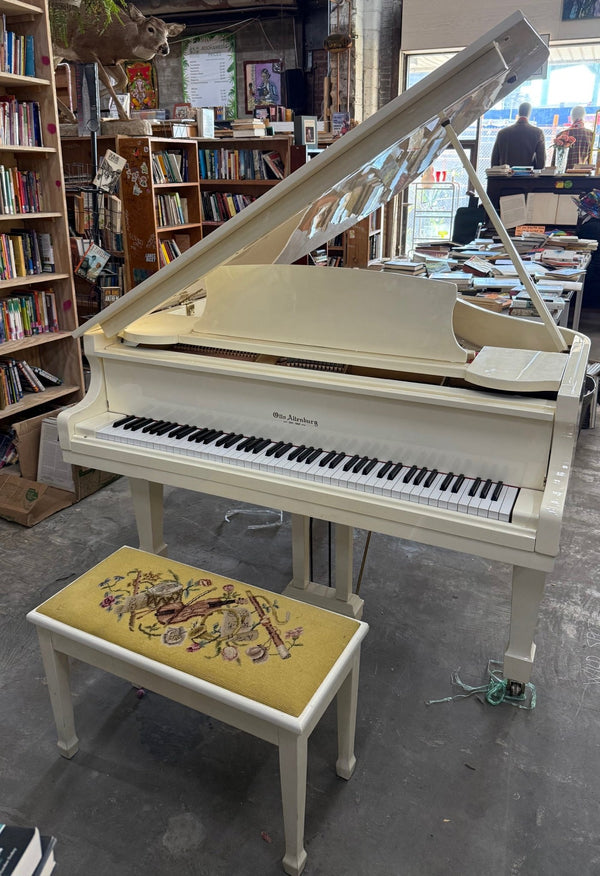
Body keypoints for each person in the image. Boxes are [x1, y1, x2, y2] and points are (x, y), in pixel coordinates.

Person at [490, 102, 546, 169]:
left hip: (505, 177)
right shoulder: (538, 133)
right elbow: (541, 160)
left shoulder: (502, 133)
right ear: (529, 113)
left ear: (518, 112)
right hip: (527, 177)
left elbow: (494, 160)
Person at [574, 189, 600, 308]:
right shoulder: (594, 224)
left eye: (581, 208)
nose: (578, 210)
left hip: (591, 284)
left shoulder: (590, 227)